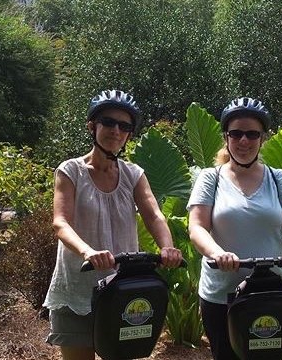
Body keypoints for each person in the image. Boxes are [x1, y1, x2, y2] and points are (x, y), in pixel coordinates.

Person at [43, 89, 183, 360]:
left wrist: (168, 247)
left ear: (129, 134)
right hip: (77, 288)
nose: (116, 130)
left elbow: (154, 215)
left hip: (123, 287)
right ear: (92, 126)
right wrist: (88, 252)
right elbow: (60, 222)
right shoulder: (70, 171)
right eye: (108, 122)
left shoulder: (134, 174)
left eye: (124, 126)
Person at [187, 97, 282, 360]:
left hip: (275, 288)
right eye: (236, 133)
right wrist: (217, 253)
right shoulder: (212, 178)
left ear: (262, 138)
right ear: (226, 137)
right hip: (223, 294)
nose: (244, 141)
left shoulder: (278, 178)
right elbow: (197, 226)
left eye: (252, 134)